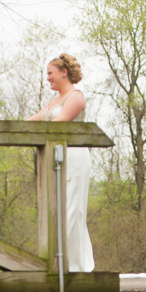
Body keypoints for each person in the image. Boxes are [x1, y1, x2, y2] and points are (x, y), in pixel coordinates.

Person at [27, 53, 94, 273]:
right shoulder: (53, 100)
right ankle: (58, 264)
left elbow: (58, 124)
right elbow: (33, 120)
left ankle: (73, 267)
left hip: (73, 158)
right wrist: (4, 130)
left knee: (71, 210)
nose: (47, 78)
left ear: (64, 73)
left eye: (50, 73)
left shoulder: (75, 96)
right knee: (56, 211)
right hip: (54, 158)